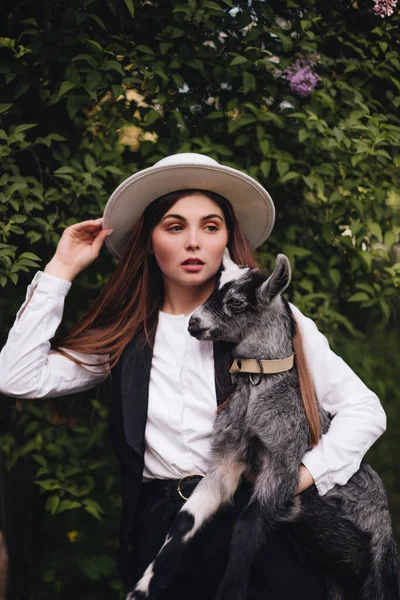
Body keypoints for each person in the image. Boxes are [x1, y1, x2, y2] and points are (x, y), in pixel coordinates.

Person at [0, 153, 387, 599]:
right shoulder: (127, 335)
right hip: (165, 536)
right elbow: (17, 376)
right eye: (174, 226)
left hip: (258, 532)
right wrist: (61, 269)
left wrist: (298, 478)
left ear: (226, 239)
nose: (194, 243)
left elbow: (364, 410)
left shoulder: (277, 323)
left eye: (210, 226)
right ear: (149, 241)